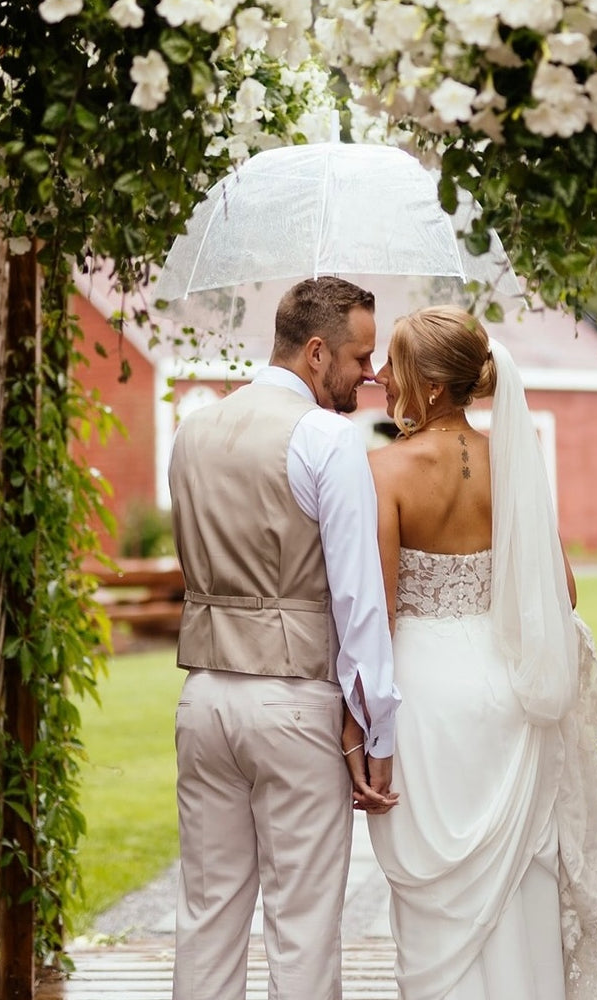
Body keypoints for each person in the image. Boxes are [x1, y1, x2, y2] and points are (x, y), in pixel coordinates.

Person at [342, 305, 597, 1000]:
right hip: (506, 692)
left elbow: (380, 612)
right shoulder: (512, 462)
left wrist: (359, 726)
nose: (382, 380)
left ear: (431, 385)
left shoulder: (384, 470)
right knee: (519, 890)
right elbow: (566, 593)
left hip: (427, 697)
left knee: (439, 912)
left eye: (394, 366)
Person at [168, 276, 401, 1000]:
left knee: (207, 917)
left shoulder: (194, 428)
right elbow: (358, 600)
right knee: (301, 927)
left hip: (203, 699)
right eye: (360, 359)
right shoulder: (328, 440)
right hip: (294, 703)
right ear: (316, 351)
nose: (368, 377)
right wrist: (375, 734)